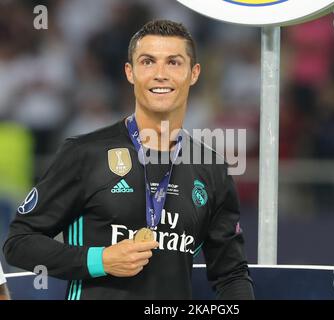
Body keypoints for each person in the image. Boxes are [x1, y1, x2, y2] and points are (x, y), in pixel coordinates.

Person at [3, 20, 254, 300]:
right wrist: (101, 260)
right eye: (148, 62)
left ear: (193, 73)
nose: (161, 74)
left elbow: (231, 275)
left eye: (174, 62)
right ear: (130, 72)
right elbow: (19, 243)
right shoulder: (86, 153)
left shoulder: (212, 168)